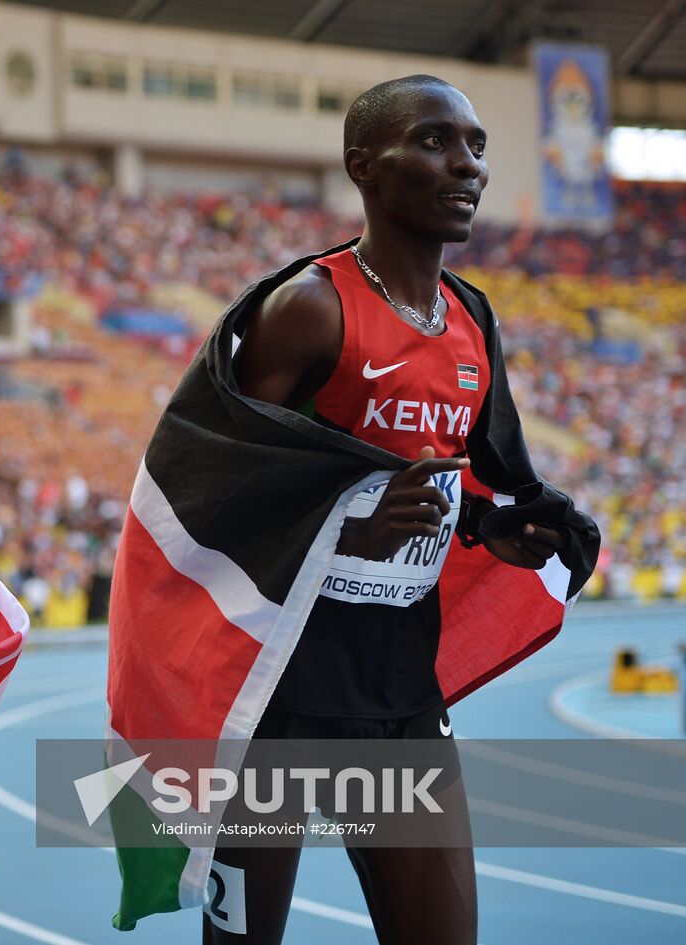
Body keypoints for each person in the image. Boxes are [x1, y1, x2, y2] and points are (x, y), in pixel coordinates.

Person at [203, 75, 577, 945]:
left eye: (478, 146)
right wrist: (348, 530)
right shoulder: (308, 309)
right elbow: (217, 494)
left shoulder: (471, 321)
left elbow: (473, 474)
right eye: (437, 141)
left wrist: (496, 526)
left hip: (397, 684)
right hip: (277, 692)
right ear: (364, 165)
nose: (467, 165)